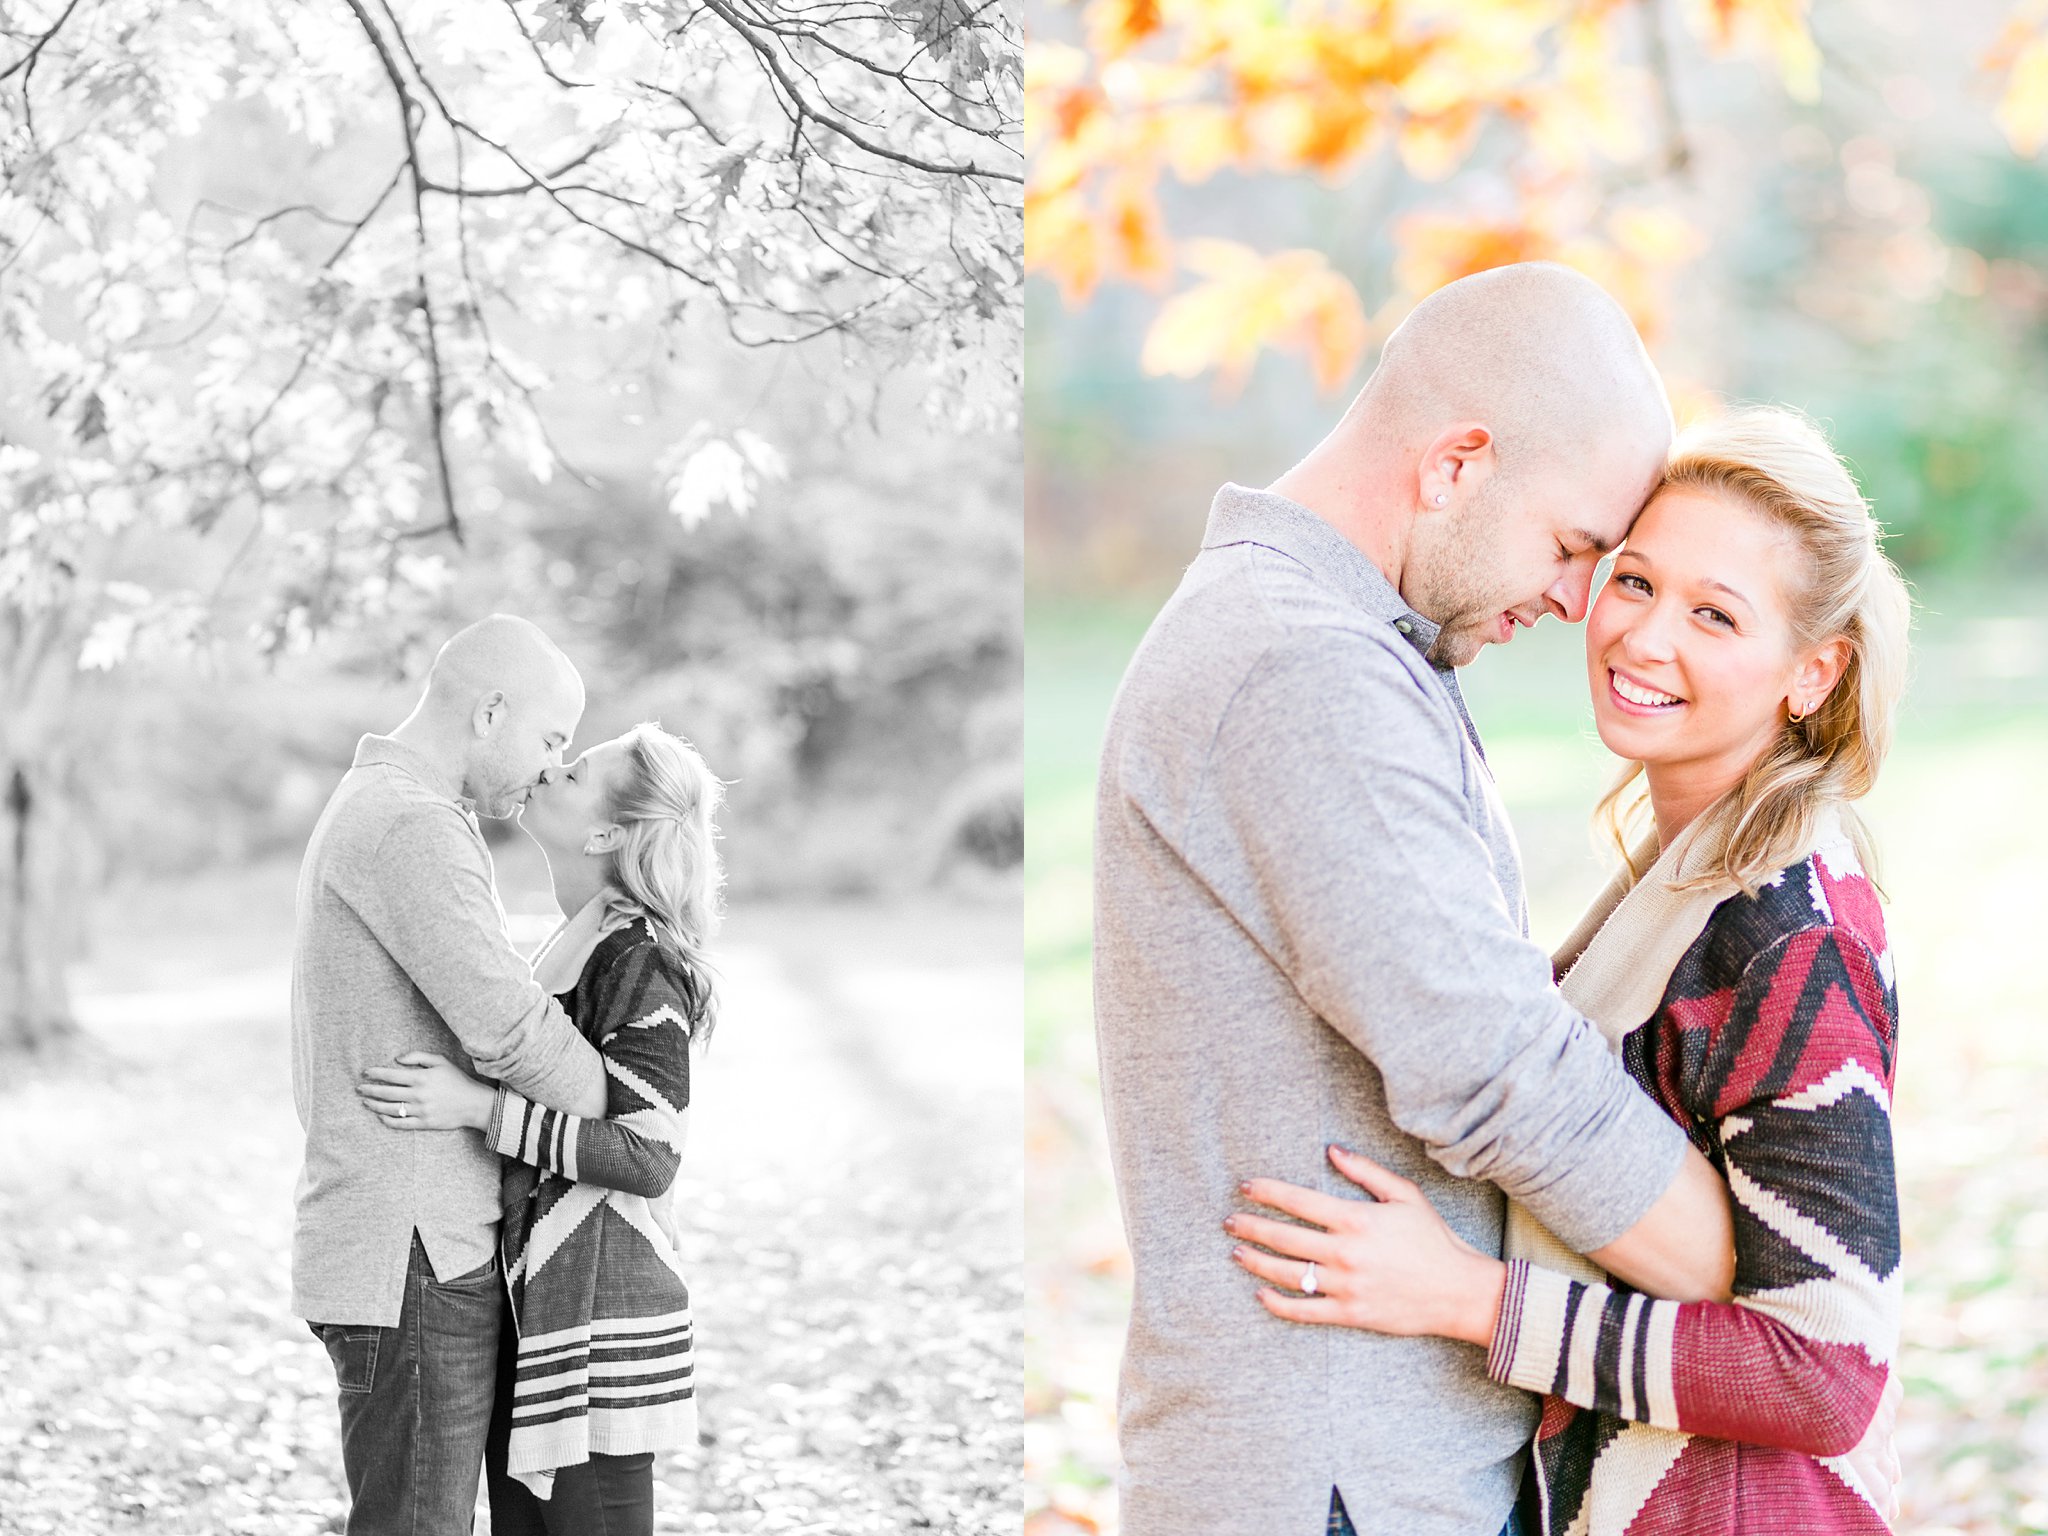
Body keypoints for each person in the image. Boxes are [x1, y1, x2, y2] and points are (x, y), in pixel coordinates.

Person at [1092, 262, 1738, 1536]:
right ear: (1455, 464)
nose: (1573, 604)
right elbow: (1494, 1065)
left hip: (1366, 1463)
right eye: (1571, 548)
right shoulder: (1300, 670)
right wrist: (1754, 1267)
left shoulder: (1335, 642)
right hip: (1336, 1478)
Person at [1231, 407, 1910, 1532]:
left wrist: (1469, 1300)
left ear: (1810, 672)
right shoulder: (1687, 875)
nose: (1642, 638)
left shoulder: (1792, 933)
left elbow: (1824, 1372)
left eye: (1713, 615)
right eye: (1634, 582)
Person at [356, 722, 722, 1536]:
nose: (550, 767)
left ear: (604, 832)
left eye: (576, 770)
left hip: (601, 1327)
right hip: (543, 1318)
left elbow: (650, 1153)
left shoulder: (639, 958)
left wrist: (479, 1109)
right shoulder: (579, 941)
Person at [291, 614, 609, 1536]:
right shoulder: (410, 825)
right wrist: (620, 1107)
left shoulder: (384, 806)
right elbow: (509, 1027)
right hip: (413, 1246)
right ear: (490, 712)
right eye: (551, 739)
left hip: (406, 1238)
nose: (554, 767)